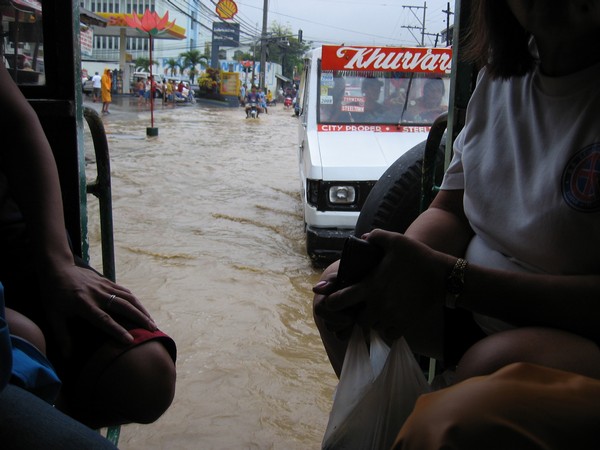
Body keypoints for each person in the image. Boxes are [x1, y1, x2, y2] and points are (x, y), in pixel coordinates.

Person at [313, 0, 600, 447]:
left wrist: (450, 280)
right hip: (470, 304)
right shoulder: (498, 79)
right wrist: (393, 270)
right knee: (341, 303)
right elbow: (450, 210)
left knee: (489, 365)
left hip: (569, 330)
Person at [0, 62, 177, 429]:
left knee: (149, 375)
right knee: (25, 339)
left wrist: (58, 263)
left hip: (11, 237)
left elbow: (18, 124)